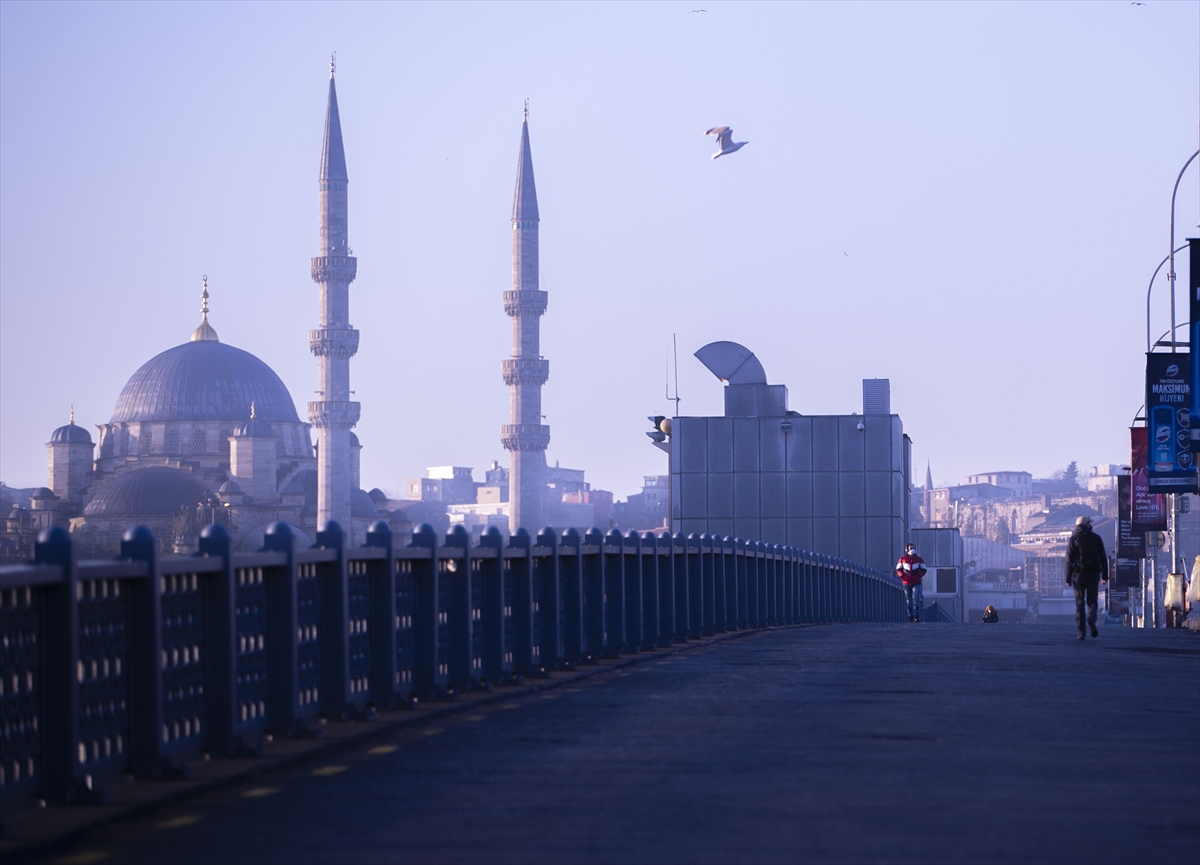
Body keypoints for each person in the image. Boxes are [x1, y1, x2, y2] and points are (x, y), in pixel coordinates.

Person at [1065, 515, 1108, 640]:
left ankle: (1081, 632)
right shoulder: (1096, 538)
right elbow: (1103, 559)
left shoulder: (1073, 539)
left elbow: (1068, 560)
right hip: (1093, 575)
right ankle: (1091, 619)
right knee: (1092, 602)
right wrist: (1105, 576)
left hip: (1078, 576)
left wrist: (1067, 578)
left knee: (1080, 604)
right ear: (1087, 525)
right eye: (1090, 523)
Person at [896, 542, 927, 622]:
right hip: (906, 583)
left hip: (916, 582)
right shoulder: (902, 559)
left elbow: (924, 569)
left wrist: (918, 576)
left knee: (915, 599)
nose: (912, 550)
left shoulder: (919, 559)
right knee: (909, 601)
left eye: (913, 548)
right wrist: (903, 576)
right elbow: (898, 570)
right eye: (911, 548)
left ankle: (916, 617)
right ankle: (910, 616)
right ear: (907, 550)